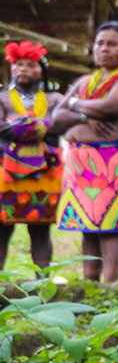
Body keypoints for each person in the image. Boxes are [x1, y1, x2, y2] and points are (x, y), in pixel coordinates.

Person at [48, 22, 118, 282]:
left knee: (111, 224)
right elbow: (56, 117)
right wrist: (83, 114)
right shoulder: (85, 81)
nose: (104, 49)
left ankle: (111, 287)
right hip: (80, 161)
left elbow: (109, 107)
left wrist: (71, 103)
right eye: (99, 43)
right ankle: (90, 284)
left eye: (112, 43)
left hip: (112, 158)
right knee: (88, 227)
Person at [0, 41, 64, 268]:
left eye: (30, 64)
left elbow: (63, 122)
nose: (23, 69)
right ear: (11, 69)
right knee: (2, 229)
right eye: (18, 64)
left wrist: (45, 125)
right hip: (7, 172)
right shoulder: (3, 98)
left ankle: (42, 285)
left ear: (42, 71)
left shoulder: (55, 99)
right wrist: (15, 128)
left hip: (44, 173)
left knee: (40, 229)